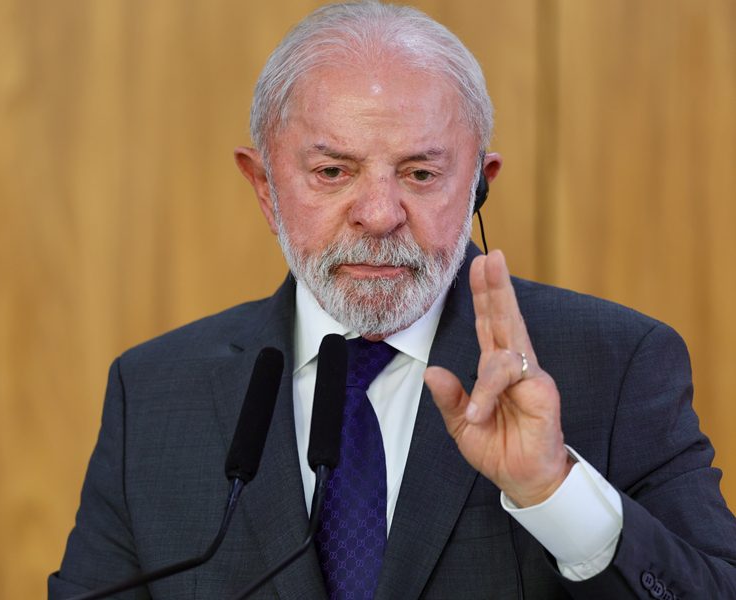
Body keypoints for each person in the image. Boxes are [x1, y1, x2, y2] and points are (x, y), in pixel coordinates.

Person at [49, 2, 736, 598]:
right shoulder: (154, 392)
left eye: (421, 173)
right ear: (264, 187)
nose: (379, 215)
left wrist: (554, 491)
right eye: (332, 171)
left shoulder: (615, 365)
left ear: (478, 186)